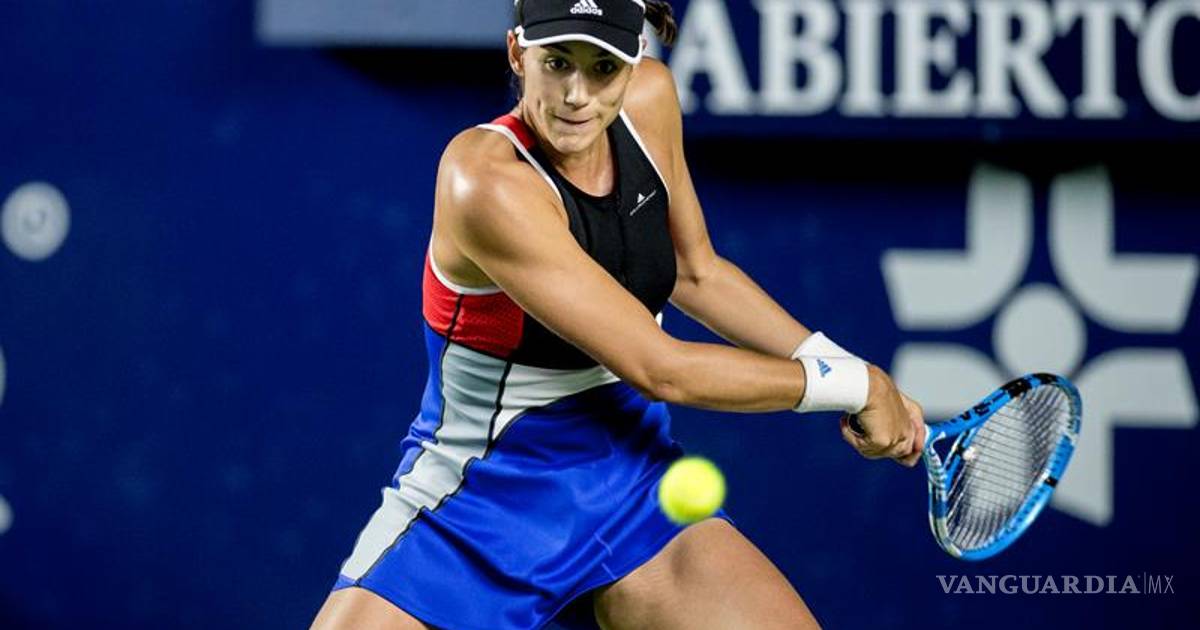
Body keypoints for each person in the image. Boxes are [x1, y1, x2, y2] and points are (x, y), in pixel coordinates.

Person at [312, 1, 925, 628]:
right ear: (517, 53)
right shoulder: (485, 181)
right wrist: (858, 386)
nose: (577, 95)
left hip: (630, 490)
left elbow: (696, 273)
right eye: (557, 63)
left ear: (636, 63)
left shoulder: (650, 102)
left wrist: (851, 373)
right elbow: (662, 370)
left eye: (603, 67)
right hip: (475, 508)